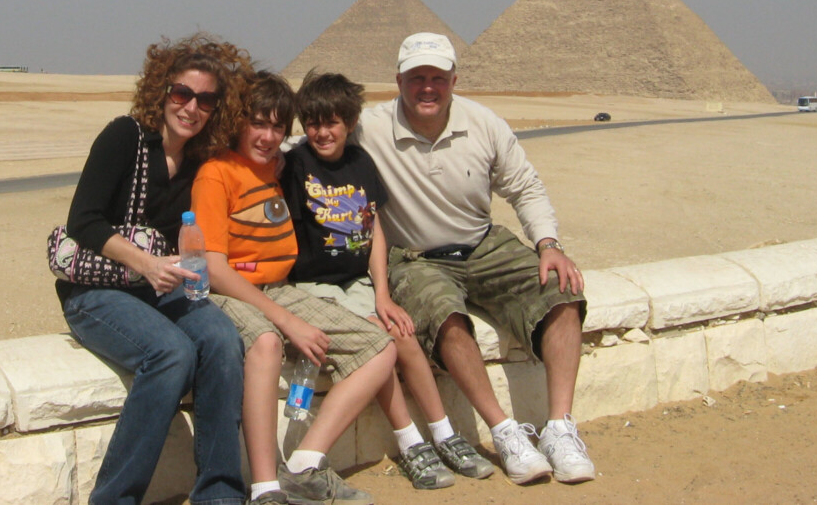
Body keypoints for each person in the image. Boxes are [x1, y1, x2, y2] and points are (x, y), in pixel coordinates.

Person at [355, 32, 596, 485]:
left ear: (453, 80)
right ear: (398, 81)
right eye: (416, 78)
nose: (428, 87)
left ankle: (560, 427)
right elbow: (304, 150)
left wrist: (548, 244)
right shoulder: (368, 129)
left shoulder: (484, 123)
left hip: (482, 244)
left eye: (438, 78)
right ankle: (504, 431)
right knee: (443, 313)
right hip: (416, 257)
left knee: (561, 290)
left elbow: (525, 187)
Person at [58, 34, 251, 505]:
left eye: (205, 100)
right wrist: (145, 263)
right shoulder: (124, 137)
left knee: (224, 342)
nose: (191, 108)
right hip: (98, 290)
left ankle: (221, 493)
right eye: (182, 94)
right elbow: (82, 220)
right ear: (161, 90)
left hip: (161, 286)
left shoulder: (200, 158)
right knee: (171, 354)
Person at [280, 71, 494, 491]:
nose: (323, 132)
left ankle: (445, 434)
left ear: (350, 122)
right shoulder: (295, 165)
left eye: (333, 122)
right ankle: (410, 442)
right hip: (314, 286)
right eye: (314, 123)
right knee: (379, 341)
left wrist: (382, 293)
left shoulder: (361, 163)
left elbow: (373, 226)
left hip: (357, 282)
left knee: (402, 333)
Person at [190, 70, 397, 505]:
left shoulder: (275, 168)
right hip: (232, 291)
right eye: (258, 123)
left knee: (379, 347)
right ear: (238, 121)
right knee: (266, 343)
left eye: (277, 127)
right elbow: (214, 267)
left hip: (280, 288)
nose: (267, 136)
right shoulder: (217, 174)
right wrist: (286, 321)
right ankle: (266, 487)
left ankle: (303, 464)